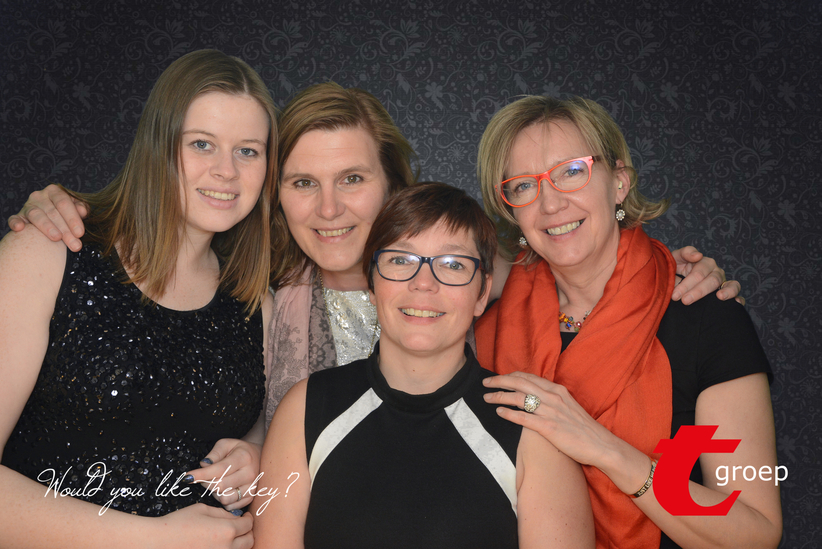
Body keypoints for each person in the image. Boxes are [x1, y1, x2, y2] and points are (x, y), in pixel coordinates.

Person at [6, 84, 739, 428]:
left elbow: (580, 264)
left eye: (353, 179)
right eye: (303, 183)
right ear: (274, 195)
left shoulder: (477, 275)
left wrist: (671, 270)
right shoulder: (249, 290)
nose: (329, 209)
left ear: (395, 186)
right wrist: (69, 209)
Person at [474, 95, 782, 548]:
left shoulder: (704, 318)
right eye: (523, 186)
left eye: (571, 171)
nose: (551, 203)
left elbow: (757, 531)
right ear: (511, 210)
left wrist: (603, 448)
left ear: (619, 183)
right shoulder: (486, 328)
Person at [0, 49, 277, 548]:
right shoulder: (50, 251)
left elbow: (246, 441)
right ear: (157, 144)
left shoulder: (256, 302)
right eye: (201, 144)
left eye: (248, 151)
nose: (227, 171)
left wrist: (252, 459)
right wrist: (152, 539)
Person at [252, 182, 595, 549]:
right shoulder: (304, 409)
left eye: (453, 264)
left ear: (482, 293)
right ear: (372, 282)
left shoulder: (531, 431)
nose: (423, 284)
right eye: (401, 260)